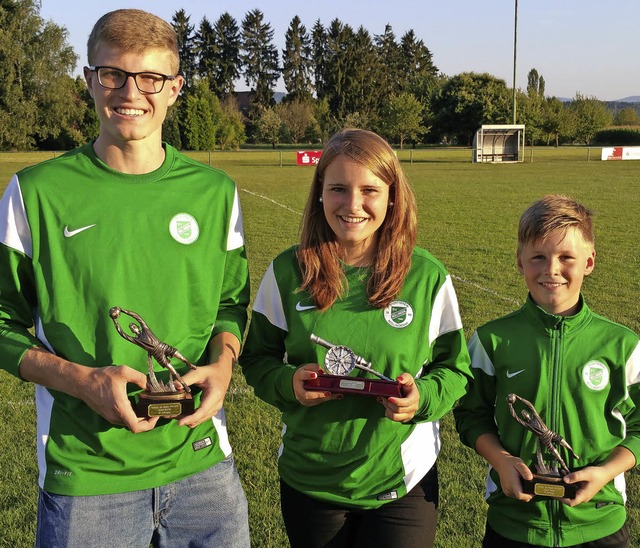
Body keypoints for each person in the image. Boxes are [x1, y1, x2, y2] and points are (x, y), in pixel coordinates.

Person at [0, 9, 250, 547]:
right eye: (113, 74)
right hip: (88, 477)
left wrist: (224, 366)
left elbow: (231, 304)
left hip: (202, 469)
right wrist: (82, 381)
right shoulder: (34, 193)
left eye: (151, 78)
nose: (131, 91)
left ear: (175, 88)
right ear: (90, 80)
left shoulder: (215, 193)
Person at [240, 128, 472, 548]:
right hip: (310, 479)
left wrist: (421, 398)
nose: (353, 205)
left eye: (369, 190)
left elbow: (454, 370)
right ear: (320, 195)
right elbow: (257, 359)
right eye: (338, 189)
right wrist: (288, 383)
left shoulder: (427, 277)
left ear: (392, 196)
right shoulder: (287, 272)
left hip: (402, 482)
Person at [454, 195, 640, 547]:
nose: (551, 269)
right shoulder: (492, 340)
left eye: (566, 257)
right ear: (520, 262)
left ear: (589, 261)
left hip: (600, 524)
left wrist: (605, 472)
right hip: (514, 524)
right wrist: (502, 459)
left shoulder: (622, 345)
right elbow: (469, 415)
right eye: (538, 257)